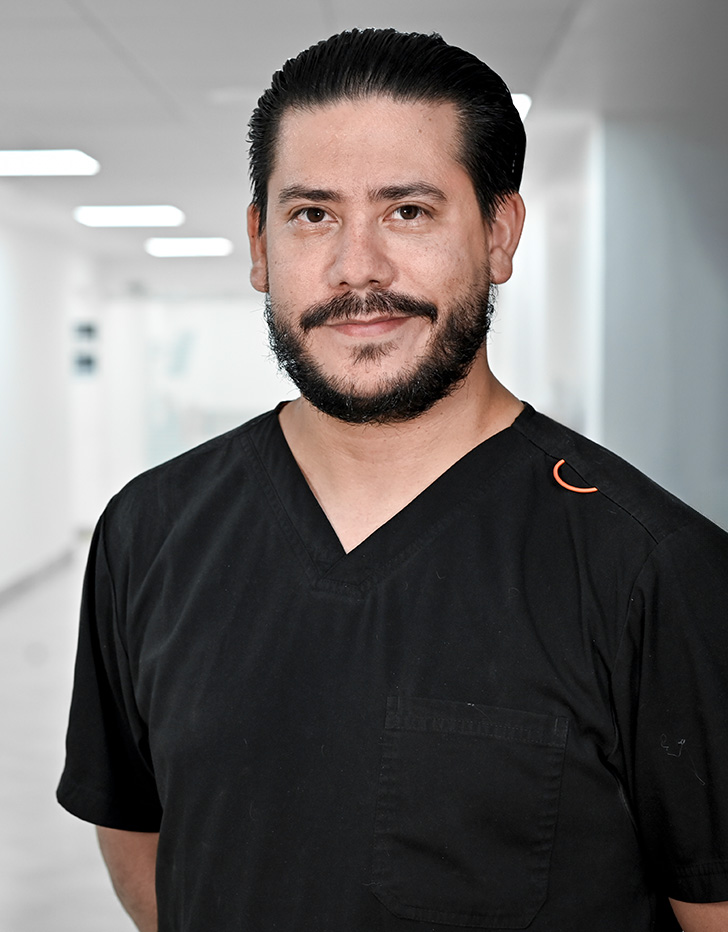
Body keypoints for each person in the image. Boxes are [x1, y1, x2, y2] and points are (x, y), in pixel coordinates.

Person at [58, 28, 728, 932]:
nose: (357, 269)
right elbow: (140, 834)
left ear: (499, 234)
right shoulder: (151, 529)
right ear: (259, 243)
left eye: (408, 211)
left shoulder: (655, 570)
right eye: (313, 215)